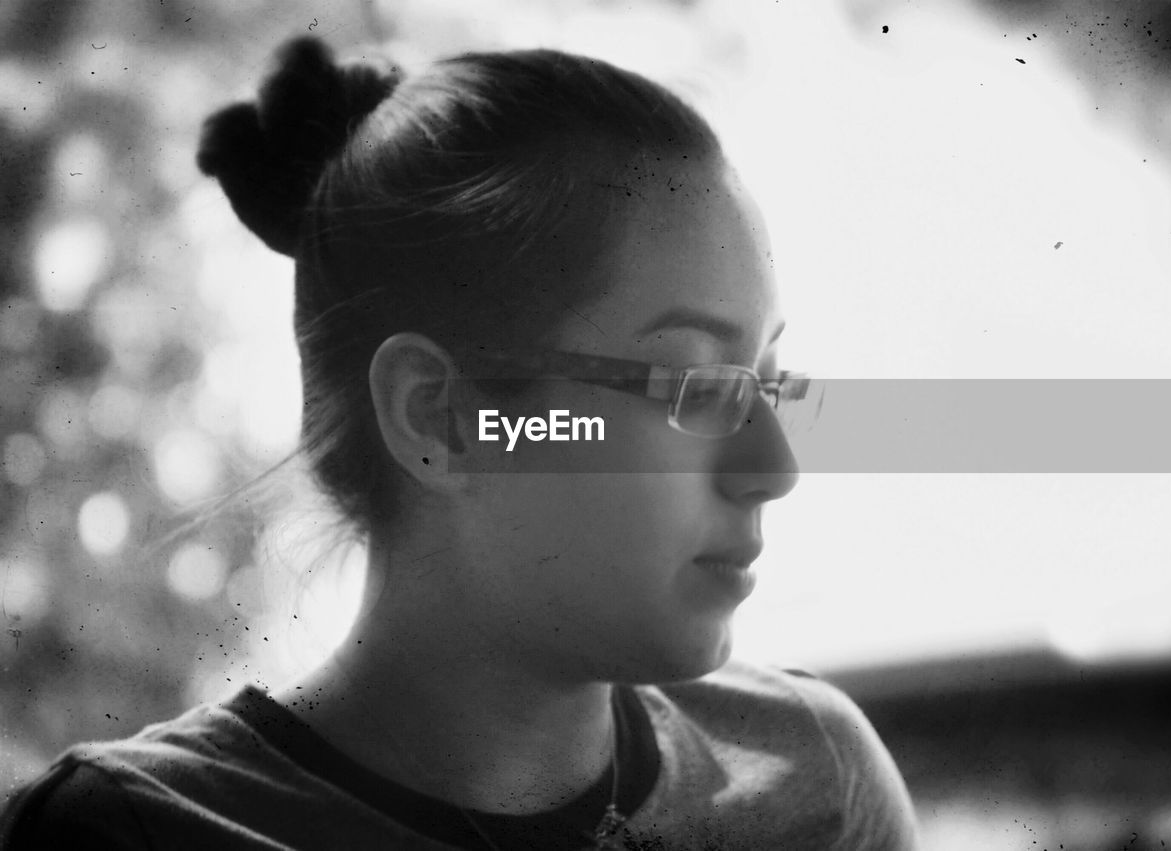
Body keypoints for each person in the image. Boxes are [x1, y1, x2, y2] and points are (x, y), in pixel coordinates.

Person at [0, 36, 918, 850]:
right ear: (441, 417)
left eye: (766, 381)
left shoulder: (817, 782)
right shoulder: (134, 835)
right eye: (694, 386)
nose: (775, 469)